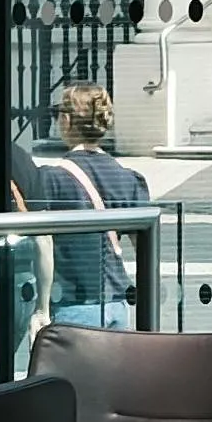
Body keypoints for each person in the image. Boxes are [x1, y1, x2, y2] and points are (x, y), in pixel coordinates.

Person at [23, 79, 146, 331]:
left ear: (67, 121)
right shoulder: (127, 178)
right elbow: (144, 248)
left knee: (70, 372)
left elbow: (43, 243)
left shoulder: (52, 178)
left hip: (74, 301)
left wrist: (42, 309)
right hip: (118, 301)